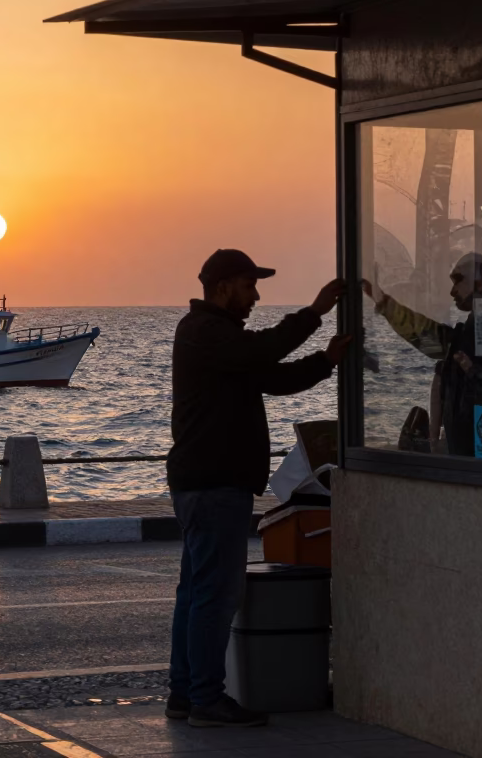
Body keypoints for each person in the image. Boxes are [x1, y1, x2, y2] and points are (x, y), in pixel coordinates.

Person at [166, 249, 351, 728]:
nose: (256, 296)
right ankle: (204, 698)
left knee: (197, 593)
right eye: (249, 286)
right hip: (214, 484)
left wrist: (326, 361)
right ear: (224, 286)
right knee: (213, 595)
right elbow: (261, 355)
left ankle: (185, 695)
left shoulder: (219, 338)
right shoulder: (205, 333)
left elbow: (270, 377)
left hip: (208, 484)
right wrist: (313, 315)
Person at [363, 252, 482, 456]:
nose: (452, 291)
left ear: (481, 282)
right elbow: (428, 337)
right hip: (471, 461)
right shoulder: (470, 334)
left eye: (458, 280)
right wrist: (383, 302)